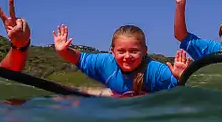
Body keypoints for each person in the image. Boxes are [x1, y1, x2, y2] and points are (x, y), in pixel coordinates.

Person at [51, 24, 190, 96]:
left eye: (134, 51)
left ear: (145, 51)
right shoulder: (105, 63)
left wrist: (181, 76)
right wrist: (62, 50)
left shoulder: (155, 70)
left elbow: (184, 89)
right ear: (112, 51)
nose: (127, 56)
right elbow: (77, 58)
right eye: (121, 51)